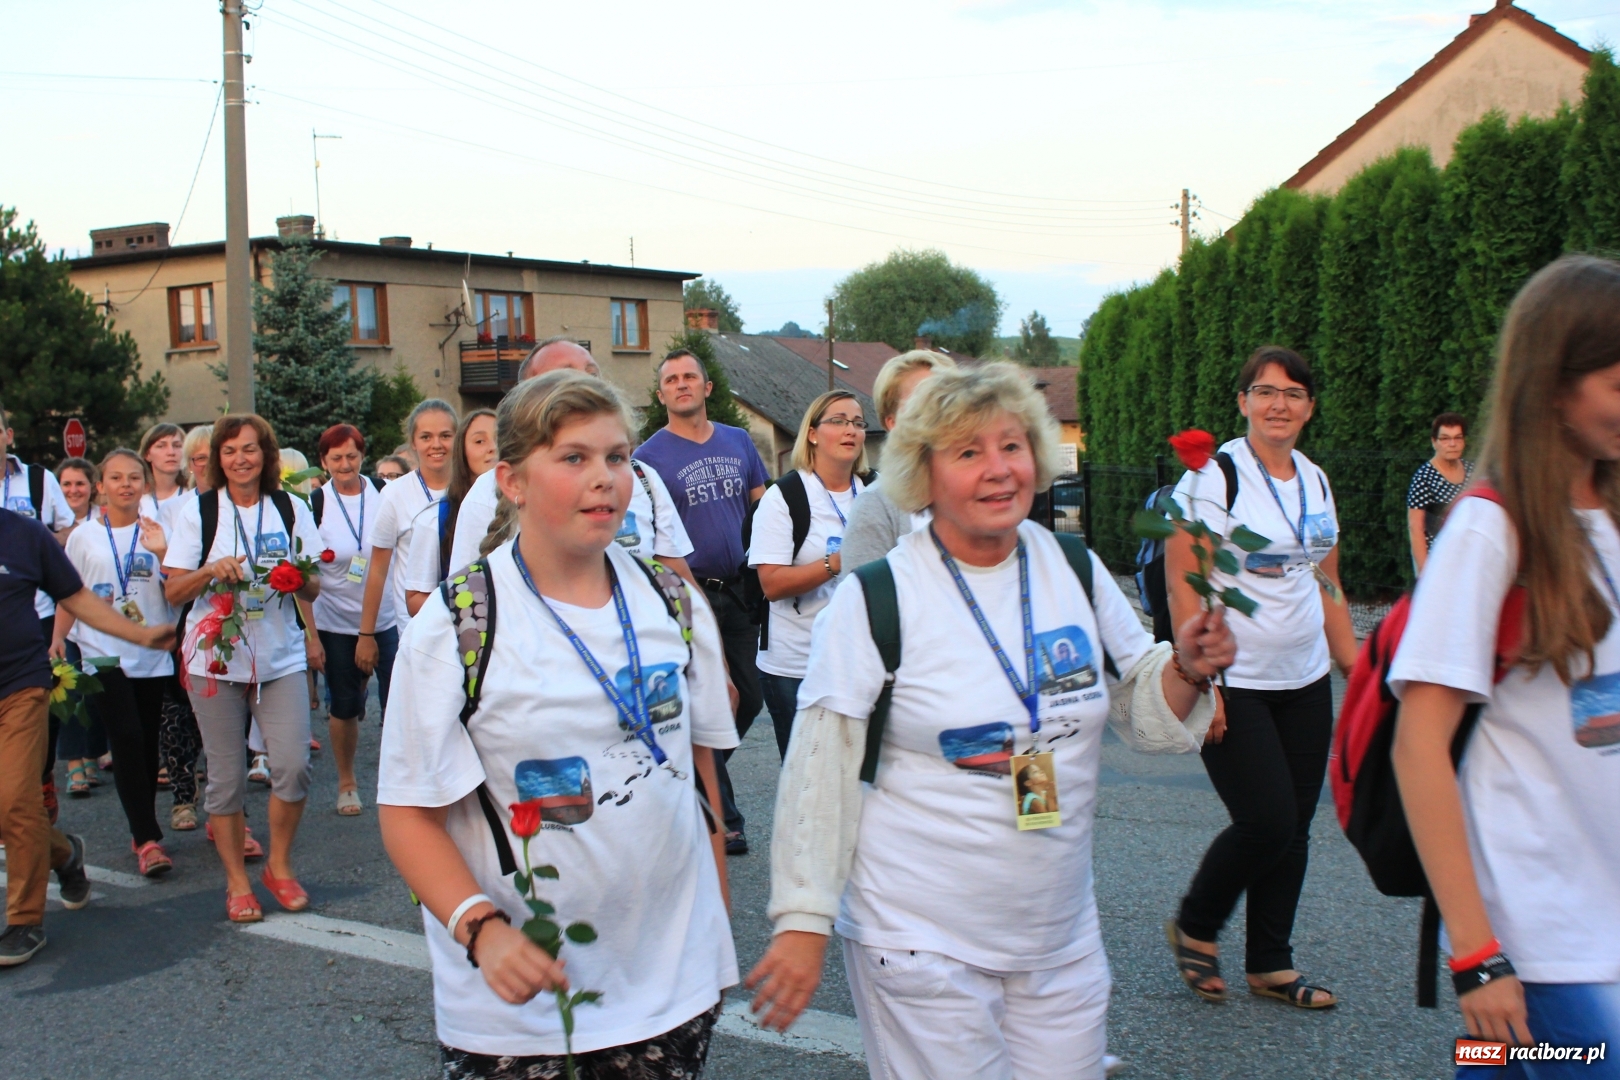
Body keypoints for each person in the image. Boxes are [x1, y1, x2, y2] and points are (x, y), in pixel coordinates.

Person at [745, 363, 1230, 1079]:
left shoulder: (1075, 567)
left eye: (1012, 445)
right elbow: (821, 767)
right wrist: (804, 921)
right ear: (923, 473)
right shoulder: (877, 597)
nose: (999, 469)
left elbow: (1145, 713)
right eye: (969, 452)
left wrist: (1187, 666)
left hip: (1058, 933)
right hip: (919, 940)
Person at [377, 369, 737, 1078]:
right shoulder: (456, 624)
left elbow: (699, 772)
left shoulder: (672, 601)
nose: (605, 478)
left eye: (617, 458)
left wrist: (716, 922)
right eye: (573, 458)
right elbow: (407, 813)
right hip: (522, 1009)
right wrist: (480, 930)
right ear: (511, 481)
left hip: (671, 987)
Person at [1391, 256, 1620, 1077]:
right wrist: (1478, 955)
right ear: (1555, 386)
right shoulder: (1492, 531)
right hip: (1543, 949)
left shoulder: (1611, 520)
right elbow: (1418, 746)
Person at [1164, 345, 1357, 1009]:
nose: (1280, 404)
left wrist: (1351, 662)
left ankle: (1271, 963)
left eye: (1294, 393)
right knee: (1267, 820)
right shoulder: (1216, 476)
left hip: (1303, 678)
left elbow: (1325, 575)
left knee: (1296, 825)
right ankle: (1196, 921)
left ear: (1310, 406)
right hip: (1234, 677)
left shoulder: (1316, 478)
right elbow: (1184, 576)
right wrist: (1201, 677)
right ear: (1243, 401)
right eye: (1265, 391)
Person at [0, 453, 175, 964]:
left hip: (18, 686)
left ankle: (23, 921)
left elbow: (76, 597)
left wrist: (141, 634)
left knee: (15, 800)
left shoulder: (23, 535)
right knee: (14, 812)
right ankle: (64, 853)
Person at [162, 415, 324, 924]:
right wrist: (211, 570)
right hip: (216, 658)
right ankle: (237, 883)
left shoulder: (291, 508)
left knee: (294, 766)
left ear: (266, 454)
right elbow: (172, 591)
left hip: (280, 656)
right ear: (217, 458)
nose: (241, 459)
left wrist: (295, 578)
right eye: (230, 450)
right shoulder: (199, 511)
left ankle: (278, 865)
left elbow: (314, 587)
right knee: (227, 780)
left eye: (250, 449)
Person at [635, 348, 769, 856]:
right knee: (713, 696)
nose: (682, 384)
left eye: (691, 376)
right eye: (671, 379)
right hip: (687, 592)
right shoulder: (648, 457)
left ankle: (690, 779)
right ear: (661, 394)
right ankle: (724, 817)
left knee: (749, 695)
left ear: (707, 387)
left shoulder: (738, 441)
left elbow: (762, 504)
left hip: (741, 588)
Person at [53, 449, 179, 877]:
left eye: (134, 477)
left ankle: (140, 825)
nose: (126, 484)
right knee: (124, 736)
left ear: (144, 484)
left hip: (151, 650)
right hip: (101, 651)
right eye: (116, 478)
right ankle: (147, 838)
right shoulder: (83, 536)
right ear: (101, 485)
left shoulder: (159, 530)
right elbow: (71, 594)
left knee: (144, 742)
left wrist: (162, 554)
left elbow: (177, 589)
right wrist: (56, 639)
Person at [749, 390, 870, 758]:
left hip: (859, 658)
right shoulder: (784, 497)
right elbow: (771, 584)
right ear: (813, 433)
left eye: (858, 422)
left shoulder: (874, 493)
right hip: (797, 665)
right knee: (808, 780)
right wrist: (835, 563)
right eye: (838, 420)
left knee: (858, 775)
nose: (850, 429)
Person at [310, 424, 390, 817]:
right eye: (336, 458)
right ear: (324, 461)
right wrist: (310, 637)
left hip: (388, 615)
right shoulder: (314, 505)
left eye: (352, 456)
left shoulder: (385, 494)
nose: (345, 464)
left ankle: (400, 780)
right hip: (336, 620)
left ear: (363, 456)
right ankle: (346, 782)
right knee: (344, 705)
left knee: (399, 701)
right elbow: (304, 572)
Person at [355, 400, 458, 694]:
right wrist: (366, 633)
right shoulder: (395, 495)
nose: (436, 444)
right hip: (415, 625)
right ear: (413, 442)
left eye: (445, 435)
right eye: (426, 437)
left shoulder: (474, 487)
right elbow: (378, 569)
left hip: (467, 620)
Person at [839, 349, 957, 575]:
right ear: (892, 423)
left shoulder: (982, 486)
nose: (938, 412)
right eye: (921, 402)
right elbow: (863, 605)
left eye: (946, 399)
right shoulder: (875, 507)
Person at [160, 423, 213, 831]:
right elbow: (168, 573)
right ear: (189, 465)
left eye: (215, 456)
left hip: (230, 626)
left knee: (225, 721)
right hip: (182, 621)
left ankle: (224, 806)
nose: (209, 465)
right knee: (179, 715)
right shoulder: (175, 509)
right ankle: (183, 798)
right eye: (200, 459)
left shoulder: (243, 506)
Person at [52, 458, 110, 796]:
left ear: (92, 488)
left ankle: (92, 752)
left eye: (80, 484)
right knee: (69, 693)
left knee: (96, 694)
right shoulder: (50, 526)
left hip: (103, 619)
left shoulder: (102, 521)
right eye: (66, 485)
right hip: (66, 618)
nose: (73, 490)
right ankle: (75, 765)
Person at [402, 408, 497, 615]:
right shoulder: (435, 518)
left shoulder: (530, 507)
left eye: (499, 438)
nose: (493, 448)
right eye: (480, 441)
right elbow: (415, 599)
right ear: (461, 451)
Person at [1407, 412, 1473, 575]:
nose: (1452, 444)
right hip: (1438, 563)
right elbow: (1416, 527)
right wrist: (1425, 572)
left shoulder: (1472, 471)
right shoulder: (1424, 478)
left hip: (1468, 560)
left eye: (1458, 438)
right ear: (1434, 442)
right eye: (1445, 438)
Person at [138, 423, 188, 534]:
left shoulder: (194, 494)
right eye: (161, 446)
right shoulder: (137, 498)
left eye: (177, 446)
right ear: (147, 454)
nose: (171, 452)